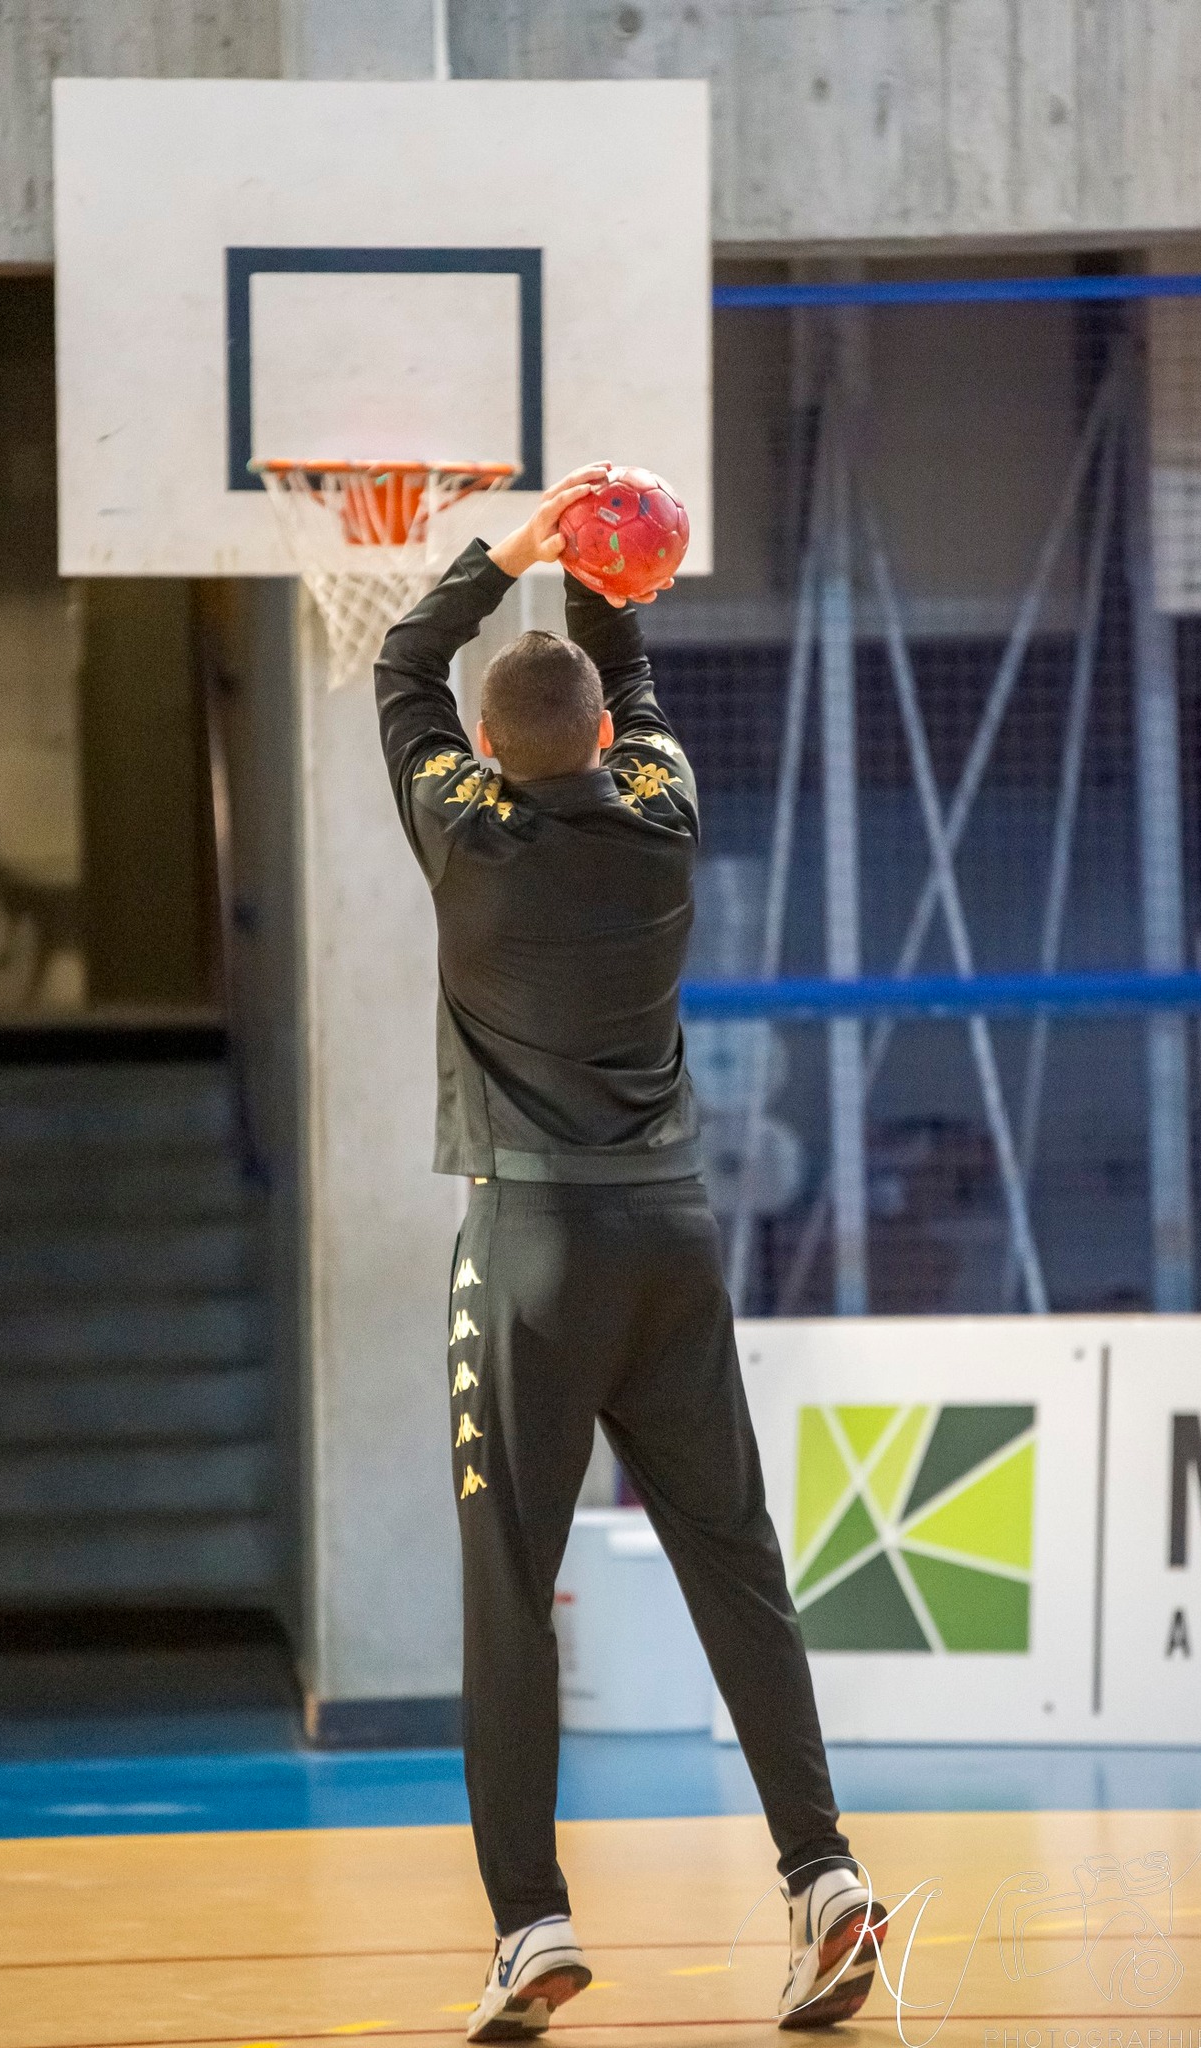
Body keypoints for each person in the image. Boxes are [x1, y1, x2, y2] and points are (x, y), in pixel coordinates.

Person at [373, 466, 884, 2035]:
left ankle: (531, 1927)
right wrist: (604, 570)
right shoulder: (664, 818)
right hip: (675, 1235)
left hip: (529, 1247)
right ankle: (823, 1879)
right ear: (601, 740)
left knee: (510, 1586)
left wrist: (512, 552)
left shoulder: (470, 840)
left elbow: (404, 667)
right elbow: (629, 676)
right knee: (738, 1561)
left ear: (493, 762)